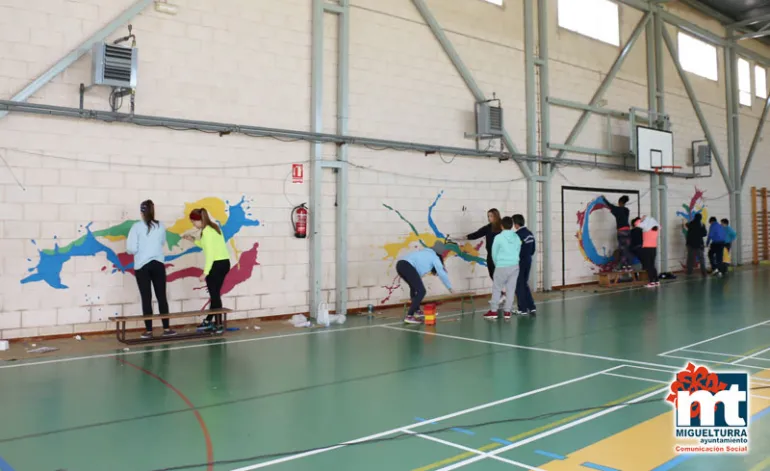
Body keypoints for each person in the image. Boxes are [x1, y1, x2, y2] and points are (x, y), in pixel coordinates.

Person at [126, 200, 175, 339]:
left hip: (142, 266)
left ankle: (148, 331)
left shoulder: (136, 227)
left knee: (146, 298)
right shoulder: (160, 225)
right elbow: (162, 242)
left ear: (141, 212)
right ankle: (166, 328)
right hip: (158, 263)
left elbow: (131, 248)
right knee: (161, 297)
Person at [183, 208, 231, 333]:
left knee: (214, 295)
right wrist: (193, 240)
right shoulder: (213, 227)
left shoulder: (207, 231)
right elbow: (206, 245)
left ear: (199, 220)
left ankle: (219, 325)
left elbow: (210, 254)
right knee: (215, 295)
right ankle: (209, 320)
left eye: (193, 222)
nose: (193, 224)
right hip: (224, 262)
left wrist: (205, 272)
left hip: (216, 264)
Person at [396, 242, 453, 325]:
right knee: (422, 291)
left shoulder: (424, 251)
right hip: (408, 266)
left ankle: (417, 311)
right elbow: (442, 273)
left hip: (400, 265)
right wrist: (450, 287)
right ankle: (409, 316)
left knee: (414, 287)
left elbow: (417, 270)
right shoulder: (434, 257)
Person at [484, 217, 522, 321]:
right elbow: (518, 249)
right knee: (511, 289)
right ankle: (507, 312)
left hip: (501, 265)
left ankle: (493, 311)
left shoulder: (498, 237)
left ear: (501, 226)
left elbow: (494, 253)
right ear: (512, 225)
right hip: (514, 266)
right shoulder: (516, 237)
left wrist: (497, 263)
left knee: (497, 288)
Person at [465, 209, 503, 280]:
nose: (489, 218)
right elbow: (476, 234)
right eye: (488, 216)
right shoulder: (488, 227)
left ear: (496, 216)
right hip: (490, 255)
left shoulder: (502, 227)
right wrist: (464, 237)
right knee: (492, 275)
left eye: (491, 216)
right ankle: (502, 290)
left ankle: (503, 290)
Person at [513, 214, 536, 316]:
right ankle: (531, 306)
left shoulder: (517, 235)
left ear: (516, 224)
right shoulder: (530, 233)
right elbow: (533, 249)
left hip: (519, 262)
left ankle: (522, 308)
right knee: (524, 283)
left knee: (519, 284)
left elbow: (514, 250)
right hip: (528, 260)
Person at [601, 195, 633, 271]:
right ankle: (628, 265)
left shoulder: (617, 209)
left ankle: (623, 265)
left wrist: (604, 199)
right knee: (626, 249)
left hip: (621, 231)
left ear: (619, 202)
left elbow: (609, 205)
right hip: (628, 231)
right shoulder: (627, 210)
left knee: (622, 249)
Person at [631, 216, 660, 287]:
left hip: (646, 248)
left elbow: (636, 224)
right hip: (654, 248)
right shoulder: (656, 229)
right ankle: (656, 280)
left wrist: (641, 219)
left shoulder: (646, 229)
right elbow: (659, 225)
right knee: (652, 265)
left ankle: (651, 282)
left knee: (648, 265)